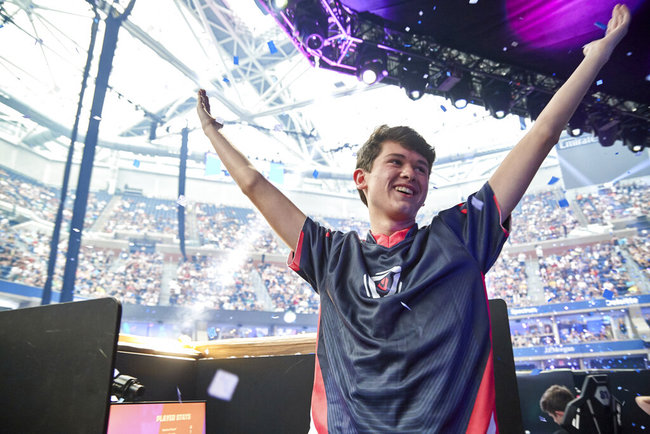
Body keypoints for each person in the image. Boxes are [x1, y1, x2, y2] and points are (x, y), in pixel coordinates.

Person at [196, 4, 630, 432]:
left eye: (421, 168)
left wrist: (598, 56)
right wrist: (213, 133)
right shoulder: (331, 255)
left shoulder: (459, 235)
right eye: (398, 162)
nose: (411, 173)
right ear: (362, 178)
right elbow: (254, 183)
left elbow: (541, 136)